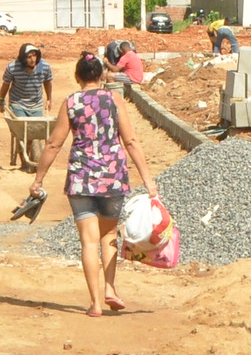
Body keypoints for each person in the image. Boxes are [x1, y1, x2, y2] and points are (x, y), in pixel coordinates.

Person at [31, 51, 159, 317]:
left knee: (89, 242)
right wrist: (148, 180)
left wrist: (38, 179)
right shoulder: (114, 100)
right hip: (112, 179)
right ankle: (110, 289)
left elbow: (54, 143)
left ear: (77, 76)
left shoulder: (71, 102)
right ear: (101, 75)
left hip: (81, 180)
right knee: (109, 236)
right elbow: (131, 141)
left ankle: (94, 303)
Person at [0, 42, 52, 117]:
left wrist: (49, 99)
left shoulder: (45, 67)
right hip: (18, 104)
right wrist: (1, 100)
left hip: (36, 105)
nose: (33, 59)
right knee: (21, 127)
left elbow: (47, 82)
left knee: (35, 128)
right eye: (29, 57)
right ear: (23, 58)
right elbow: (6, 84)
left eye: (34, 55)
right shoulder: (13, 68)